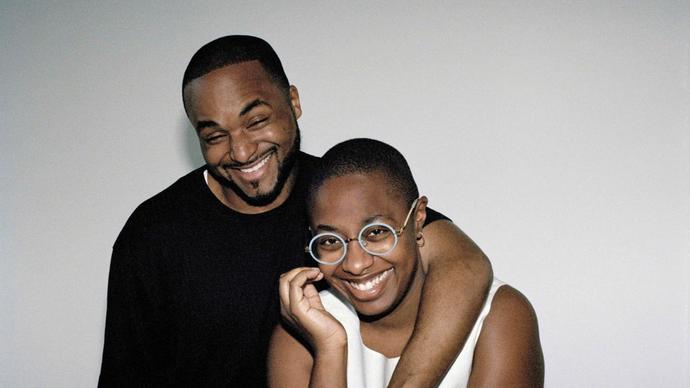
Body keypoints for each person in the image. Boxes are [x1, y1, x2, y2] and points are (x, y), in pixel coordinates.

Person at [99, 35, 493, 387]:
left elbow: (465, 263)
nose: (240, 151)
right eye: (215, 136)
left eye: (255, 121)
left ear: (294, 102)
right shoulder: (152, 236)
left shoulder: (334, 196)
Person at [269, 138, 544, 387]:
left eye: (376, 233)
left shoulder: (500, 316)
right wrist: (330, 349)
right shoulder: (303, 331)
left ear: (418, 218)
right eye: (330, 241)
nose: (354, 264)